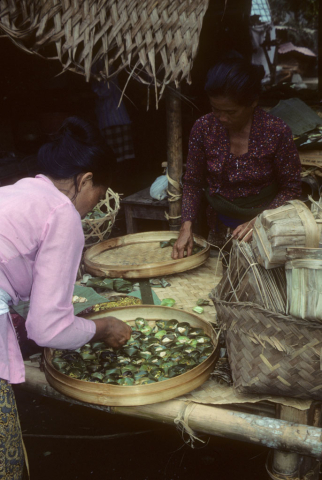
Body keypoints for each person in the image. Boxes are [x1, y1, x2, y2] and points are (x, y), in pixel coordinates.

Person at [0, 117, 132, 478]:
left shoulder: (19, 190)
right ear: (85, 180)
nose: (92, 207)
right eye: (98, 195)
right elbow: (49, 330)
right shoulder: (62, 214)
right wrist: (102, 327)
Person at [172, 57, 302, 259]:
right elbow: (193, 181)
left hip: (268, 231)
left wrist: (261, 221)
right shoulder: (203, 128)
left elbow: (291, 188)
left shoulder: (276, 131)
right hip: (218, 229)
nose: (222, 118)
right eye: (216, 109)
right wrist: (186, 225)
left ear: (253, 102)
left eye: (231, 112)